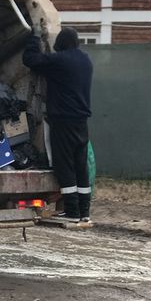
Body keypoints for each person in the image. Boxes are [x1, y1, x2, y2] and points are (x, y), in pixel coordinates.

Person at [22, 26, 93, 223]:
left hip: (63, 121)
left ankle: (71, 211)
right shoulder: (86, 60)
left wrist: (35, 38)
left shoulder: (60, 60)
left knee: (65, 164)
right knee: (81, 165)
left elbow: (30, 60)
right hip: (81, 122)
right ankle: (84, 211)